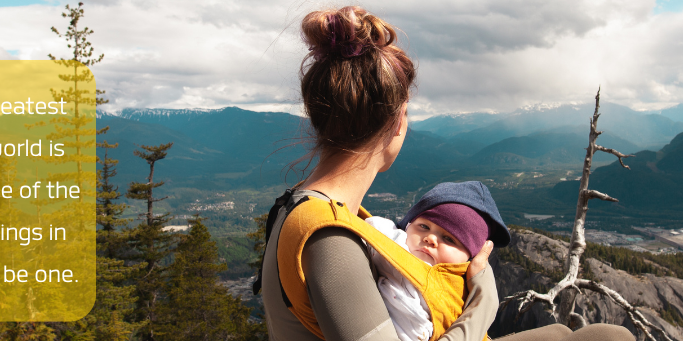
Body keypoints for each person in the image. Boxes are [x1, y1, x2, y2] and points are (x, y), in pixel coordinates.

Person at [258, 5, 637, 341]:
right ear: (398, 124)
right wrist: (482, 303)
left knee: (559, 332)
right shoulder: (329, 239)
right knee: (610, 337)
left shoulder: (308, 208)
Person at [364, 181, 507, 341]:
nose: (430, 238)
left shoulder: (459, 293)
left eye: (449, 239)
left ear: (468, 258)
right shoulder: (386, 239)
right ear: (407, 226)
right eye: (424, 226)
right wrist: (485, 305)